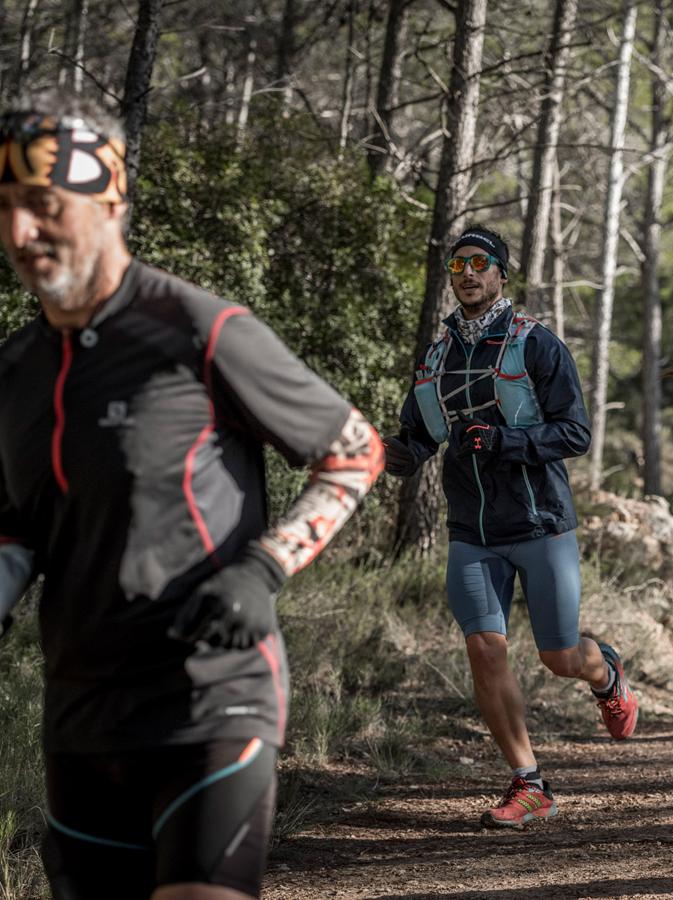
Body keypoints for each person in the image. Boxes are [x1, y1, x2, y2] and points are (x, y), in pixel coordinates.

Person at [0, 92, 383, 900]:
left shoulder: (197, 328)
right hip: (79, 716)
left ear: (110, 203)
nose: (20, 235)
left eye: (42, 207)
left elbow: (354, 451)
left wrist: (263, 570)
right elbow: (16, 522)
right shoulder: (14, 372)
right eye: (5, 210)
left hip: (210, 698)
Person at [382, 224, 637, 830]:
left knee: (558, 657)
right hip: (471, 529)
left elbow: (575, 432)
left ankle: (605, 671)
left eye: (480, 262)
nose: (468, 273)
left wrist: (507, 440)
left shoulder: (537, 344)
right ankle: (529, 783)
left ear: (501, 273)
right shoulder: (437, 355)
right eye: (458, 265)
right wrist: (388, 454)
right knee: (483, 648)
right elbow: (418, 437)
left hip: (540, 522)